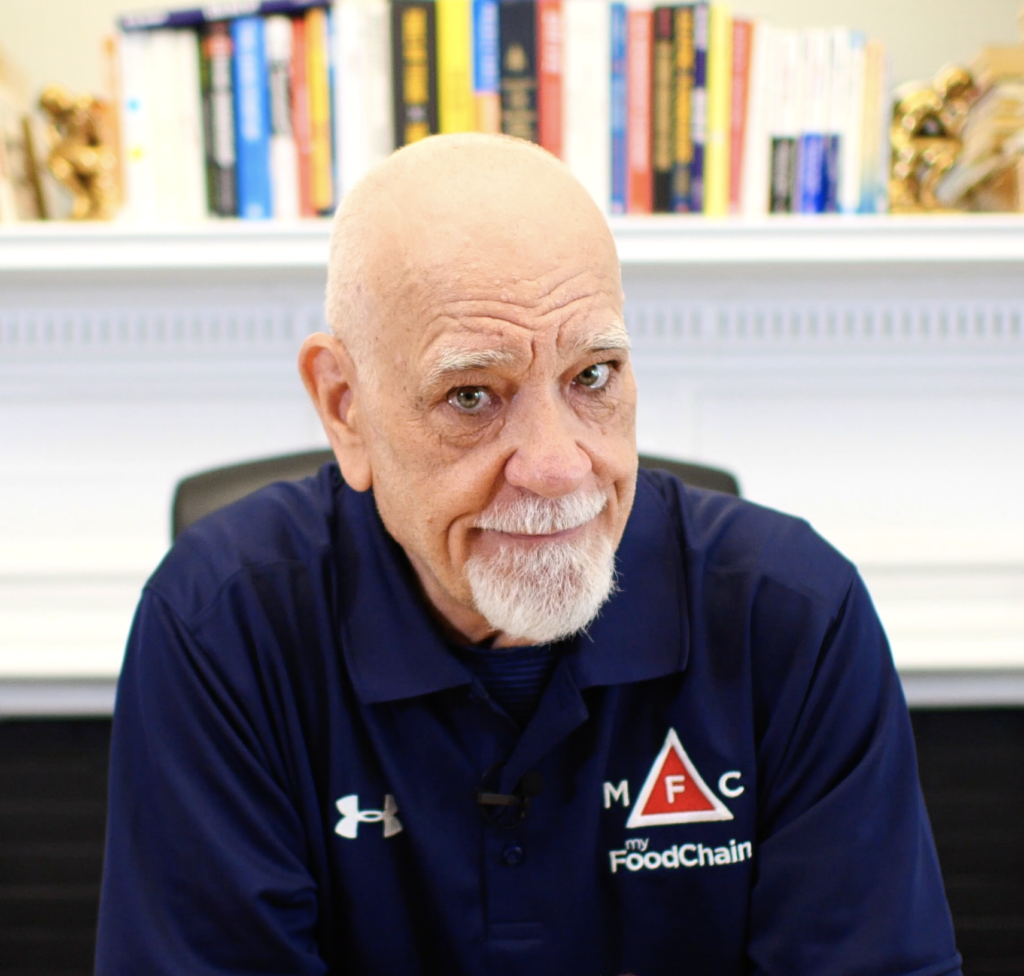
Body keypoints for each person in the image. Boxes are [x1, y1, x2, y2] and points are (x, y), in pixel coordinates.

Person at [95, 134, 961, 976]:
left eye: (592, 376)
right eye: (473, 396)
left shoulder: (793, 616)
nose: (558, 467)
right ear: (344, 405)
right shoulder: (220, 629)